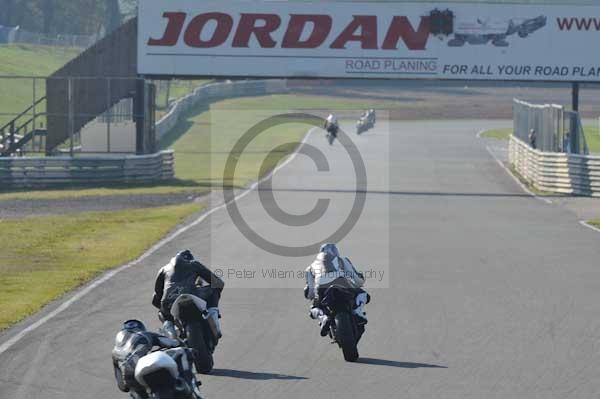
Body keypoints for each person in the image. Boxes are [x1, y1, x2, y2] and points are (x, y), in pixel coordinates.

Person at [111, 319, 192, 399]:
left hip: (130, 379)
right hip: (146, 369)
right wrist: (181, 343)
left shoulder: (114, 353)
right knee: (182, 352)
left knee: (134, 392)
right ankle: (186, 386)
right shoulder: (143, 334)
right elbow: (173, 343)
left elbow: (122, 386)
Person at [152, 250, 225, 337]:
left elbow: (156, 298)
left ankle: (170, 330)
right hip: (191, 295)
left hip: (168, 302)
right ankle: (213, 316)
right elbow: (218, 283)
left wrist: (165, 311)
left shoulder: (163, 269)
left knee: (162, 311)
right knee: (214, 290)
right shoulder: (193, 264)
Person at [304, 243, 370, 336]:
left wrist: (312, 296)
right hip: (341, 283)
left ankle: (323, 318)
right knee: (363, 294)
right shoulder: (342, 260)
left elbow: (309, 293)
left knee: (314, 309)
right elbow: (358, 280)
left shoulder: (310, 268)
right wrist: (360, 280)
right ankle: (358, 312)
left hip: (321, 288)